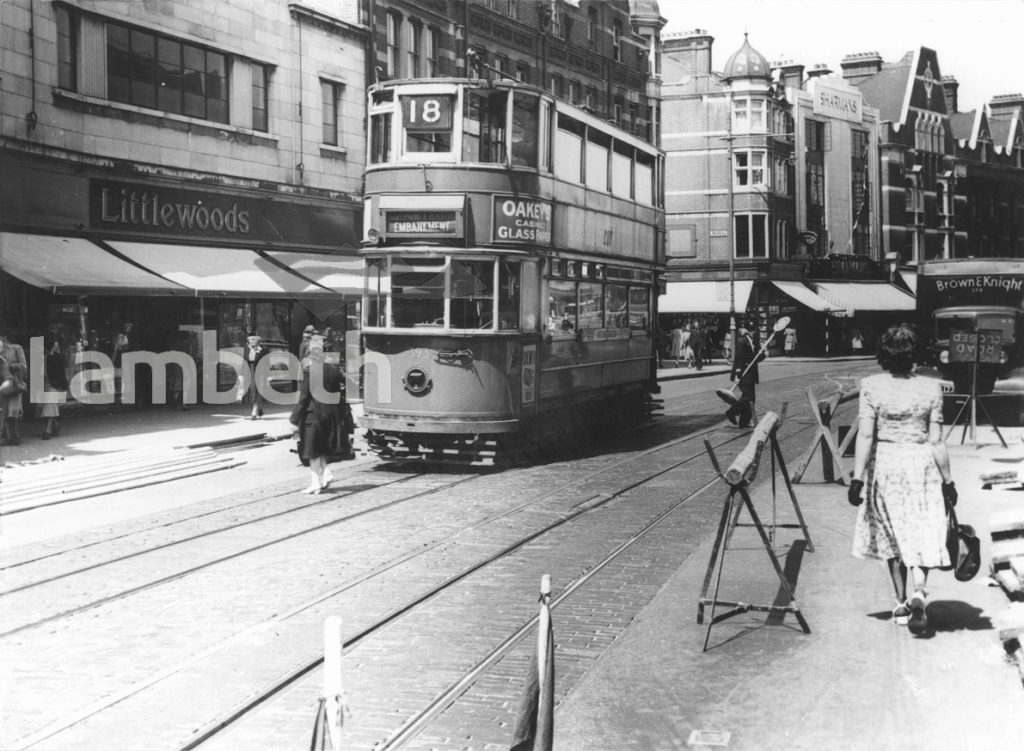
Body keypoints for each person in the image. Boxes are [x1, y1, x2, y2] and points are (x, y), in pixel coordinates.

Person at [848, 324, 956, 636]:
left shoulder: (870, 385)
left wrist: (857, 478)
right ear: (914, 356)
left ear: (883, 355)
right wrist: (948, 481)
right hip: (921, 465)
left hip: (886, 466)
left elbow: (866, 435)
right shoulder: (931, 388)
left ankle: (899, 602)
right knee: (920, 527)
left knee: (891, 533)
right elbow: (937, 441)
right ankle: (920, 591)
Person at [290, 333, 349, 493]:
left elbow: (304, 397)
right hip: (330, 415)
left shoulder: (309, 371)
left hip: (313, 415)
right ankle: (323, 478)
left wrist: (294, 419)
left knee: (312, 452)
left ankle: (315, 483)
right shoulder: (334, 371)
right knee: (322, 449)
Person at [725, 322, 762, 428]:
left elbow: (755, 358)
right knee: (749, 398)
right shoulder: (742, 342)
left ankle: (741, 420)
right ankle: (734, 413)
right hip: (743, 375)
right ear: (747, 331)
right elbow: (739, 359)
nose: (753, 332)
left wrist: (763, 353)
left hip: (751, 375)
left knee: (748, 398)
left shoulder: (753, 342)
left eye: (754, 330)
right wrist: (737, 374)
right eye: (751, 330)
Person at [0, 331, 27, 445]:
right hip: (2, 385)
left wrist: (8, 365)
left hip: (15, 384)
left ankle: (16, 436)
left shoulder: (16, 348)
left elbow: (24, 366)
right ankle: (8, 437)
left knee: (14, 411)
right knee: (4, 412)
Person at [39, 338, 68, 439]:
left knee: (50, 405)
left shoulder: (56, 358)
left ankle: (47, 430)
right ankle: (55, 425)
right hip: (42, 385)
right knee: (44, 407)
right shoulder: (40, 358)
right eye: (55, 345)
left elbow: (62, 373)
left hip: (53, 385)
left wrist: (63, 386)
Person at [243, 333, 269, 420]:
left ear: (257, 341)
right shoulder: (247, 349)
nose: (250, 342)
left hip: (260, 373)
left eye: (252, 340)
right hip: (250, 371)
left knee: (259, 391)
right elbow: (244, 361)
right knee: (253, 391)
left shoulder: (264, 350)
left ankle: (254, 411)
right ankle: (259, 407)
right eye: (249, 340)